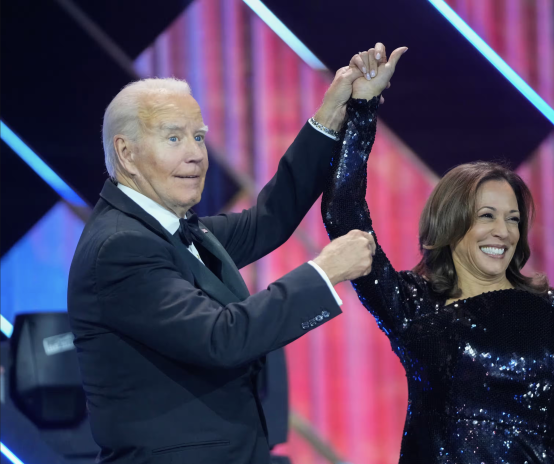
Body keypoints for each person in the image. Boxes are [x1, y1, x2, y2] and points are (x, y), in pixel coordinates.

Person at [67, 47, 383, 464]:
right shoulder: (120, 247)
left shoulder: (170, 228)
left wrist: (332, 111)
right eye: (174, 137)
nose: (196, 154)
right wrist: (324, 273)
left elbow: (268, 219)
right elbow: (221, 338)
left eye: (198, 136)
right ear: (126, 153)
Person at [322, 45, 554, 463]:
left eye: (513, 219)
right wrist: (364, 109)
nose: (503, 231)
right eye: (487, 216)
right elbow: (343, 214)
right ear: (451, 224)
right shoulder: (413, 305)